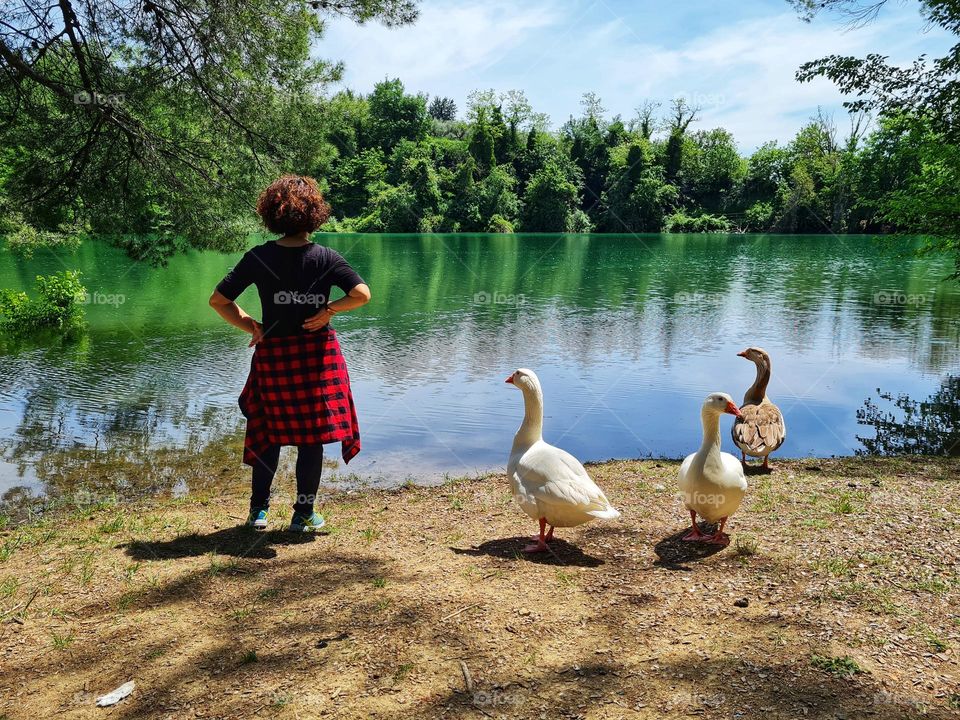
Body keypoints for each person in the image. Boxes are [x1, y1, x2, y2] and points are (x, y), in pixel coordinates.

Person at [210, 175, 370, 532]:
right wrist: (329, 310)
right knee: (311, 439)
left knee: (267, 432)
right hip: (316, 358)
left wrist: (251, 325)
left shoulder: (259, 257)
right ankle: (303, 514)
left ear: (272, 214)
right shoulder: (326, 257)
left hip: (275, 357)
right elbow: (362, 294)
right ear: (315, 214)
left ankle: (258, 512)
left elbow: (219, 301)